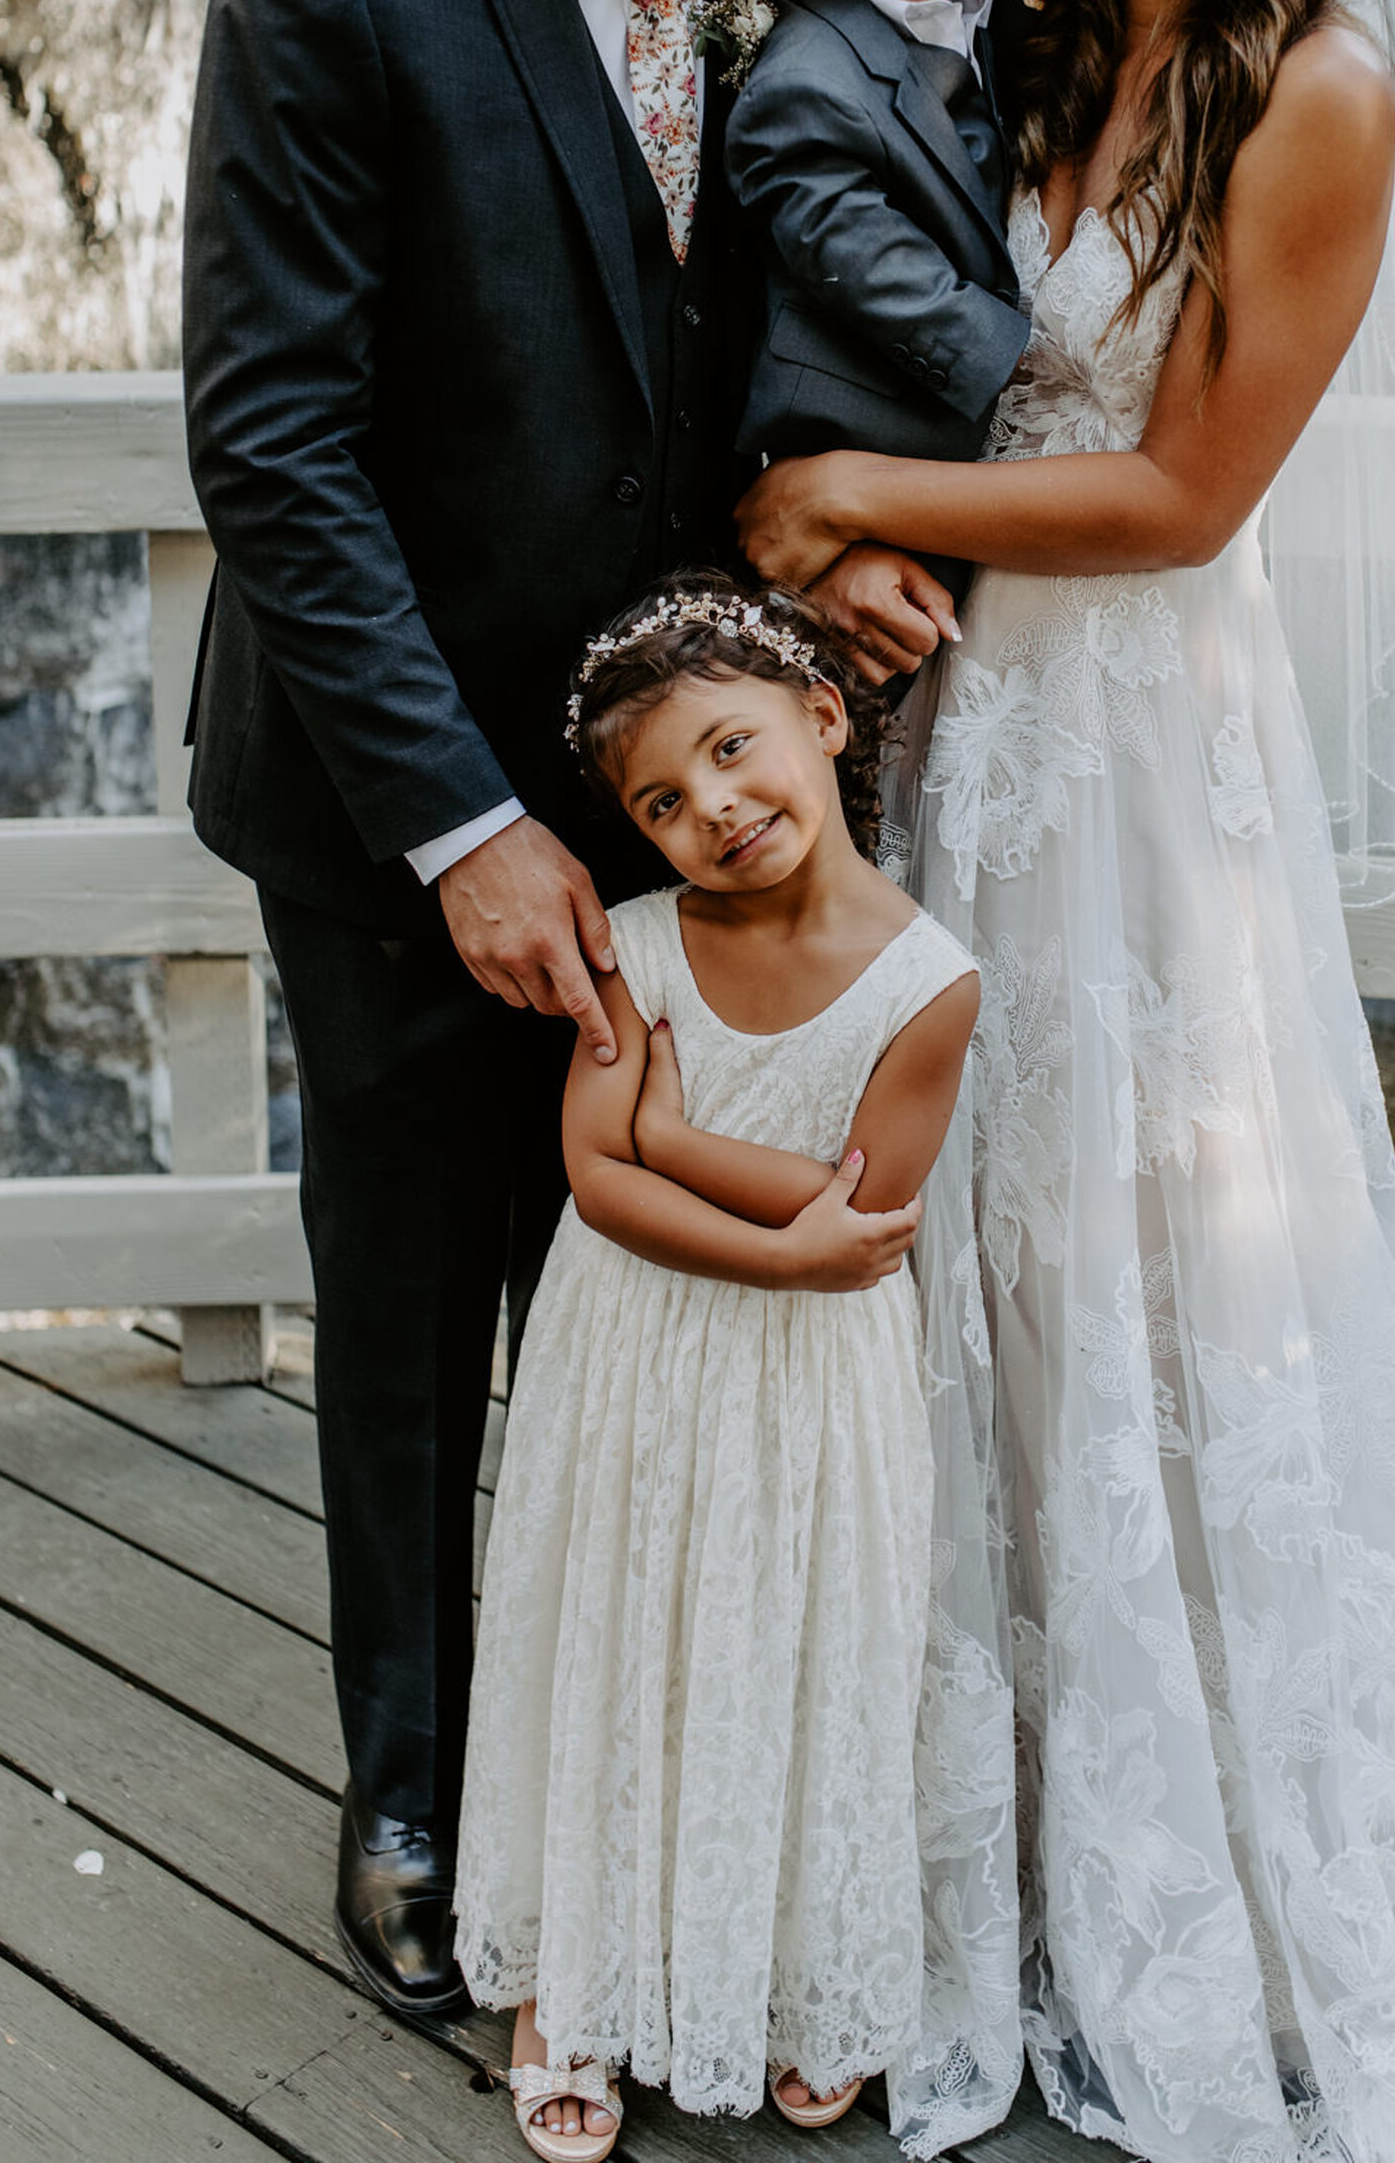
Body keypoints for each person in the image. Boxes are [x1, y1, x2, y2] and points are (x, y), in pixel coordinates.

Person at [739, 0, 1395, 2163]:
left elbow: (1180, 490)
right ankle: (922, 1864)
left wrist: (844, 493)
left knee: (1154, 1269)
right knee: (963, 1260)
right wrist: (823, 538)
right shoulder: (1004, 12)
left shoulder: (1313, 87)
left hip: (1139, 756)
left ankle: (1196, 1886)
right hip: (953, 727)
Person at [181, 0, 953, 2026]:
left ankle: (620, 1775)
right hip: (402, 808)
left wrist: (826, 528)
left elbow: (774, 332)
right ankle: (410, 1789)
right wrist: (457, 828)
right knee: (413, 1318)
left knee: (661, 1317)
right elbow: (274, 444)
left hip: (700, 812)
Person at [453, 574, 978, 2158]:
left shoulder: (929, 983)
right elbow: (596, 1178)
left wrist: (679, 1140)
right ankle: (573, 1987)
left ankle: (796, 1975)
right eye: (664, 803)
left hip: (812, 1388)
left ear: (824, 717)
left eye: (735, 751)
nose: (716, 810)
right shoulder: (633, 950)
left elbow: (861, 1210)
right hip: (632, 1358)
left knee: (794, 1647)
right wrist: (758, 1233)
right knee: (620, 1637)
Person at [727, 0, 1031, 603]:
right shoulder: (806, 78)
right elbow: (854, 250)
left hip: (947, 453)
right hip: (872, 436)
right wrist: (1022, 363)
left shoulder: (997, 15)